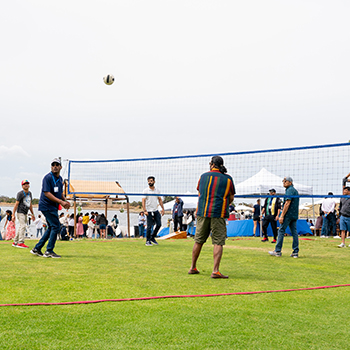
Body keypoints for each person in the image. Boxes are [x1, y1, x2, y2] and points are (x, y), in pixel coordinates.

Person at [189, 156, 235, 279]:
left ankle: (193, 267)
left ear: (211, 164)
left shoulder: (203, 177)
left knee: (198, 240)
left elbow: (200, 194)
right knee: (218, 242)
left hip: (202, 212)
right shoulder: (228, 179)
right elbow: (231, 198)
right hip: (218, 213)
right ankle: (215, 270)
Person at [30, 158, 70, 258]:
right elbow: (47, 193)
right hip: (46, 205)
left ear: (61, 167)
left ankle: (37, 248)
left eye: (57, 165)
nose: (55, 166)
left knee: (52, 227)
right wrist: (61, 202)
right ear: (51, 167)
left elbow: (60, 193)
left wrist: (64, 201)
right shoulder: (47, 178)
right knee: (56, 226)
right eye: (53, 165)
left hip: (53, 206)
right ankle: (49, 251)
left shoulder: (60, 179)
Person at [269, 177, 300, 258]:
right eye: (283, 181)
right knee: (294, 232)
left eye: (285, 181)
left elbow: (287, 203)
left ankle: (277, 251)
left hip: (288, 214)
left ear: (290, 182)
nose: (283, 182)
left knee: (281, 230)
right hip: (294, 214)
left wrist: (282, 215)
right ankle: (295, 252)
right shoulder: (294, 190)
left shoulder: (290, 190)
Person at [12, 180, 35, 248]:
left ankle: (15, 241)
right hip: (20, 212)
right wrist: (13, 214)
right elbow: (16, 204)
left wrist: (32, 214)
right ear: (22, 186)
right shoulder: (20, 193)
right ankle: (20, 242)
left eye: (27, 184)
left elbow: (30, 204)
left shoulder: (30, 193)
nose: (26, 185)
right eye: (24, 184)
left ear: (29, 185)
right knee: (23, 226)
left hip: (25, 212)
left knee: (20, 227)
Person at [142, 176, 165, 246]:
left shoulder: (157, 190)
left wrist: (163, 209)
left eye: (151, 181)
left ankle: (152, 237)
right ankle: (147, 241)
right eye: (149, 181)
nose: (150, 182)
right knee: (149, 226)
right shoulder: (145, 190)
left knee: (159, 224)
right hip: (148, 210)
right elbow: (143, 201)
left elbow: (160, 200)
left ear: (154, 182)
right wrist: (144, 210)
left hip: (155, 210)